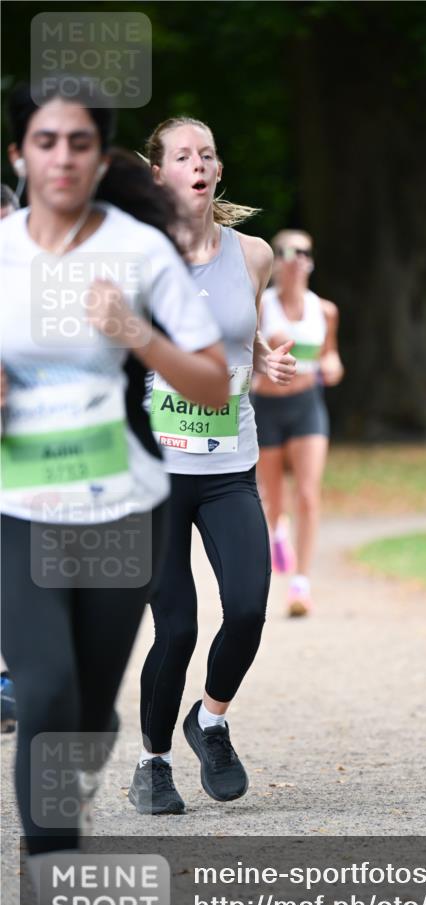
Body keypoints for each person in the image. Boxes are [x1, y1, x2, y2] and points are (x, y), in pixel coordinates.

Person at [0, 80, 229, 905]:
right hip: (18, 509)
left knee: (87, 714)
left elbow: (211, 384)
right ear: (21, 154)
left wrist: (136, 332)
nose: (61, 156)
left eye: (80, 142)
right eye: (45, 141)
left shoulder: (142, 252)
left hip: (123, 510)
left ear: (100, 159)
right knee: (47, 697)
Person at [128, 117, 296, 816]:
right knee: (176, 626)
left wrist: (263, 359)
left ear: (216, 172)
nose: (196, 162)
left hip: (230, 465)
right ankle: (154, 762)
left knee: (252, 608)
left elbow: (241, 328)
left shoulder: (253, 254)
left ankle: (211, 719)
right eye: (181, 154)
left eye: (206, 153)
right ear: (159, 173)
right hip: (154, 473)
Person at [252, 229, 343, 616]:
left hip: (307, 406)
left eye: (302, 251)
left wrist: (330, 366)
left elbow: (332, 359)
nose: (294, 258)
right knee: (273, 497)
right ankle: (277, 530)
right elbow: (250, 356)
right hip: (267, 408)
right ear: (276, 261)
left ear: (310, 260)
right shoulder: (262, 305)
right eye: (286, 251)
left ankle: (301, 584)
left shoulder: (325, 310)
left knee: (307, 492)